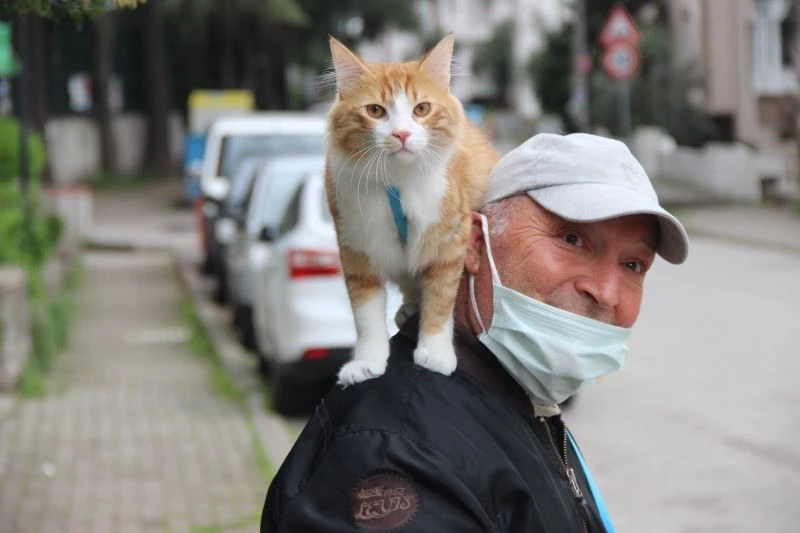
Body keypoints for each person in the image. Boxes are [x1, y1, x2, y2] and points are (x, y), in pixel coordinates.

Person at [260, 133, 689, 532]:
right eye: (572, 239)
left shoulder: (517, 401)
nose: (607, 292)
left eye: (633, 265)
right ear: (473, 245)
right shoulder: (395, 456)